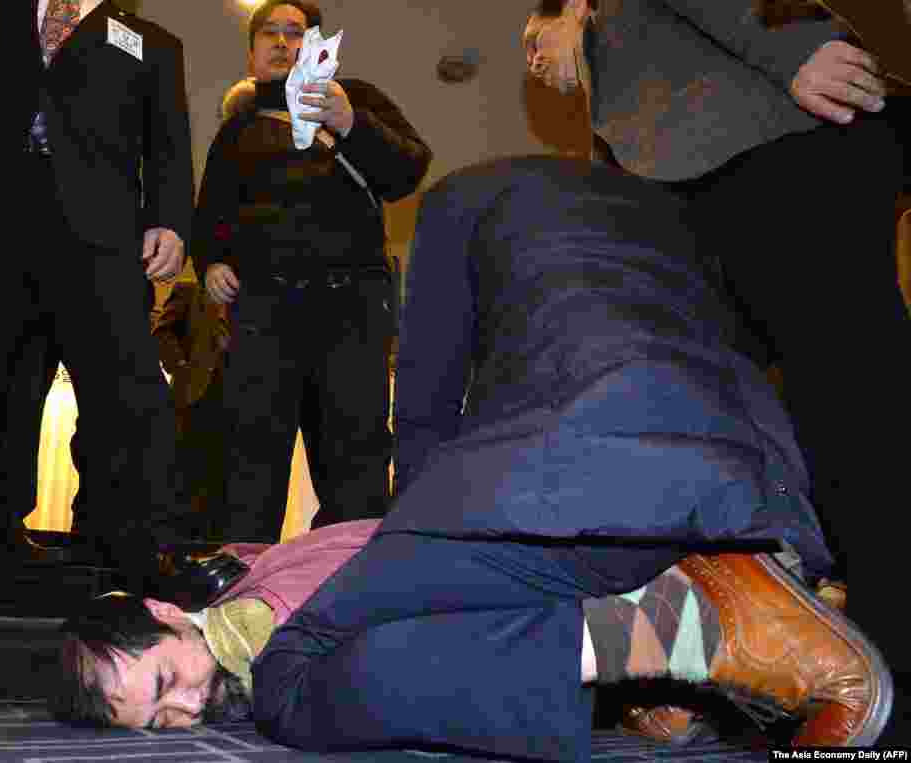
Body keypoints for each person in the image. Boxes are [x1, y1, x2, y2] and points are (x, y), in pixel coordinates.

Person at [52, 158, 889, 757]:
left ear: (165, 615)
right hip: (752, 486)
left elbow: (422, 408)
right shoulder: (664, 215)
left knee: (293, 690)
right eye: (162, 720)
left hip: (615, 492)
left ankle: (692, 633)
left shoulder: (456, 207)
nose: (190, 706)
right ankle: (681, 656)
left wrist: (423, 523)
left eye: (166, 683)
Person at [522, 0, 910, 742]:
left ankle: (887, 713)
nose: (536, 63)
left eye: (534, 48)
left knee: (859, 419)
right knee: (748, 437)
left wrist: (785, 46)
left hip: (774, 137)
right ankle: (819, 682)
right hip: (710, 169)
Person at [0, 0, 195, 597]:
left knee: (126, 390)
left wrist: (171, 222)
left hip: (99, 236)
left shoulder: (150, 41)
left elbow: (168, 144)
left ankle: (136, 541)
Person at [191, 0, 431, 543]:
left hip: (352, 311)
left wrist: (348, 122)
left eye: (294, 33)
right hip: (264, 314)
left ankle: (346, 592)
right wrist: (210, 264)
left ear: (316, 45)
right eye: (269, 34)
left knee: (357, 460)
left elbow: (409, 170)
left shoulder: (359, 98)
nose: (281, 42)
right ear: (252, 55)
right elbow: (209, 216)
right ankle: (243, 590)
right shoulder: (238, 128)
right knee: (249, 461)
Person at [152, 280, 231, 537]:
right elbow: (162, 331)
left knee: (225, 484)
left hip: (238, 400)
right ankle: (180, 547)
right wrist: (182, 368)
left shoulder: (256, 294)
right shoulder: (189, 290)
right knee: (186, 478)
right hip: (194, 395)